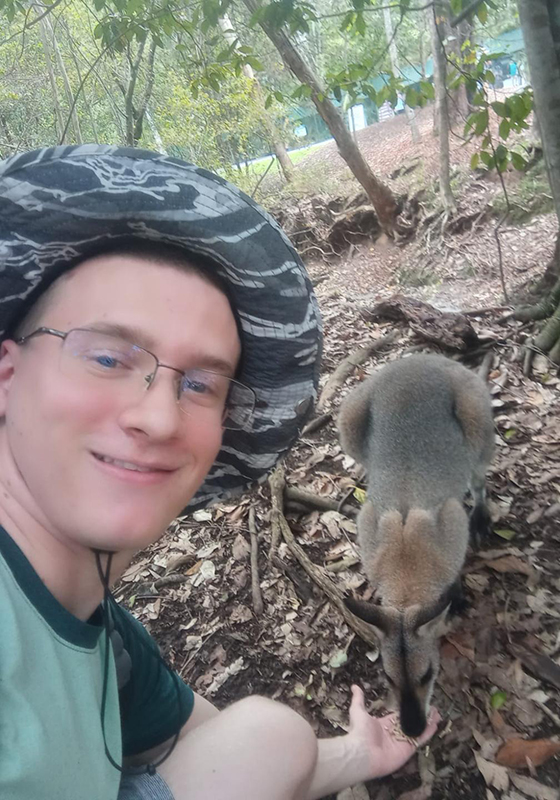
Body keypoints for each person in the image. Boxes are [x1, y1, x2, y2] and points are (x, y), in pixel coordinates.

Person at [0, 145, 439, 800]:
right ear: (7, 376)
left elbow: (225, 745)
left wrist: (358, 753)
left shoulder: (105, 636)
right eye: (107, 358)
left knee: (271, 734)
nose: (160, 416)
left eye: (201, 384)